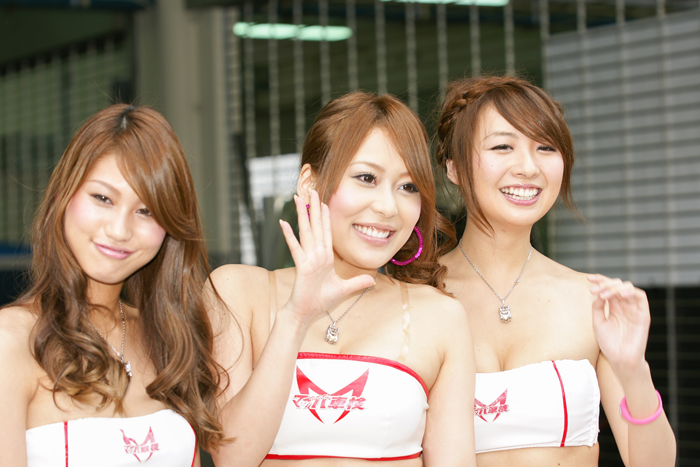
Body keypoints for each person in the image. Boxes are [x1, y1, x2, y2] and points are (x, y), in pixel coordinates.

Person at [210, 91, 476, 467]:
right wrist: (296, 317)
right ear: (309, 183)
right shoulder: (237, 291)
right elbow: (231, 455)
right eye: (366, 178)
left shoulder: (441, 316)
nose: (387, 207)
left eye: (408, 187)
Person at [435, 75, 676, 466]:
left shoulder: (591, 300)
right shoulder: (415, 295)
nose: (528, 167)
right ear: (454, 168)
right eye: (503, 146)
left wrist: (634, 370)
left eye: (545, 147)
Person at [0, 104, 227, 466]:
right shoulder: (11, 341)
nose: (120, 230)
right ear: (63, 196)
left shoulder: (169, 338)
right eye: (102, 198)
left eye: (146, 211)